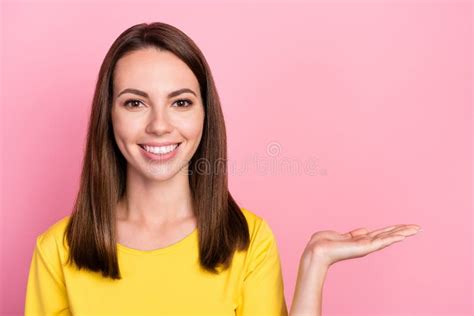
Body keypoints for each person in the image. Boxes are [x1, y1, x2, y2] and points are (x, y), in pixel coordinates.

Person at [24, 22, 421, 316]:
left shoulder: (249, 241)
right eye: (135, 103)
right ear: (108, 117)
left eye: (180, 102)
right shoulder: (57, 251)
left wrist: (315, 263)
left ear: (205, 115)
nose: (160, 125)